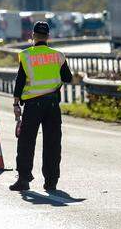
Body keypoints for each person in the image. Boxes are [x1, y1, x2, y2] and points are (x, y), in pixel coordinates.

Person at [9, 21, 73, 192]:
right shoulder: (58, 56)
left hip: (33, 105)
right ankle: (51, 182)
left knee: (26, 142)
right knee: (52, 143)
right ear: (48, 37)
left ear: (33, 36)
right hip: (52, 104)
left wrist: (16, 104)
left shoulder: (26, 55)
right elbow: (68, 78)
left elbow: (20, 81)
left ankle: (23, 179)